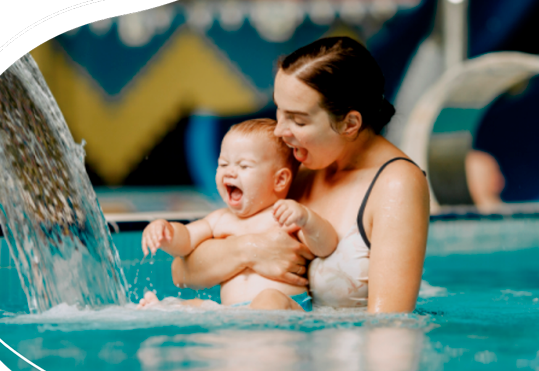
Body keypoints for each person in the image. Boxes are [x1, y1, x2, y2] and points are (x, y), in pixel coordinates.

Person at [175, 37, 431, 313]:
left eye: (298, 120)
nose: (279, 131)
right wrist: (251, 249)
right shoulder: (296, 166)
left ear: (350, 123)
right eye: (279, 111)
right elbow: (182, 272)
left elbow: (389, 329)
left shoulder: (395, 185)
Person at [139, 118, 338, 311]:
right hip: (234, 312)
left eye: (244, 166)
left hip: (285, 306)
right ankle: (161, 308)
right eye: (223, 164)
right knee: (196, 306)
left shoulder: (285, 214)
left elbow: (326, 246)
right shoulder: (219, 219)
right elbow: (187, 240)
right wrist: (166, 231)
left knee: (269, 298)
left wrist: (307, 219)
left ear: (279, 180)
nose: (230, 173)